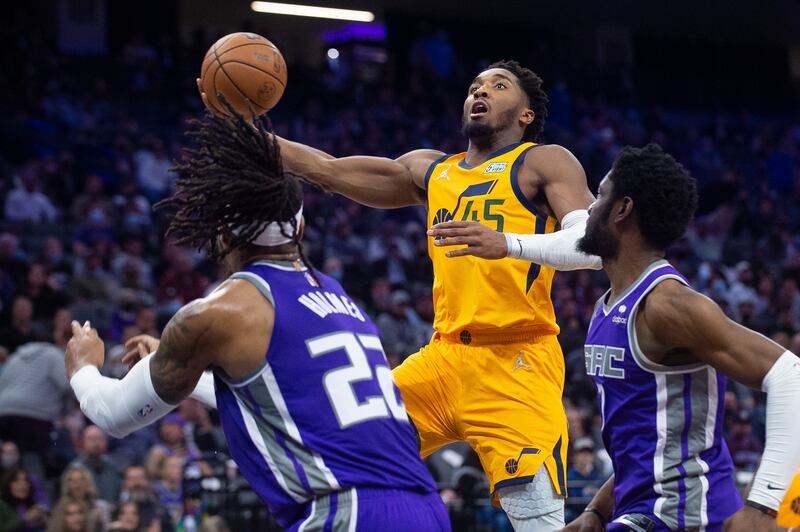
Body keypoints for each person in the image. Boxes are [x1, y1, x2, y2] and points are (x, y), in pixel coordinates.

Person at [223, 59, 602, 530]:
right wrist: (239, 127)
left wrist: (506, 243)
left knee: (538, 522)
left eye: (498, 86)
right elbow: (327, 170)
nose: (480, 92)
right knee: (344, 446)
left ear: (526, 114)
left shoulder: (543, 161)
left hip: (518, 359)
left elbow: (593, 247)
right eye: (474, 85)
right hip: (442, 358)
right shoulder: (432, 171)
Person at [64, 110, 448, 531]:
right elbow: (282, 400)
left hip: (347, 513)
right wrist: (192, 379)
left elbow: (116, 415)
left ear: (222, 234)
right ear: (299, 229)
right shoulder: (333, 293)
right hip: (425, 509)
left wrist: (83, 367)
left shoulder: (218, 313)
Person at [561, 144, 800, 531]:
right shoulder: (607, 304)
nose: (589, 207)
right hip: (638, 511)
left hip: (685, 516)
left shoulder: (668, 305)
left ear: (622, 209)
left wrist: (764, 507)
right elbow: (645, 443)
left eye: (600, 193)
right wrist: (596, 511)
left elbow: (791, 375)